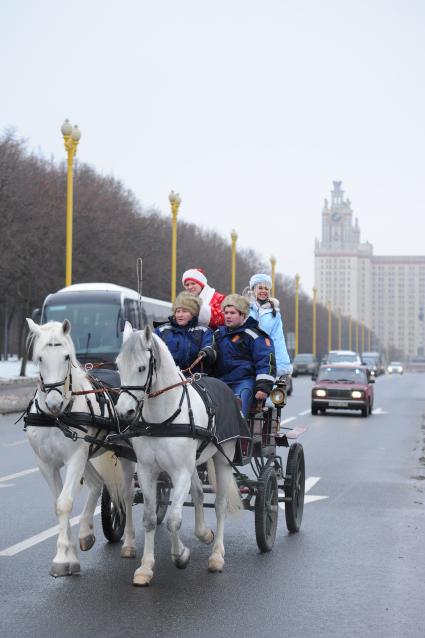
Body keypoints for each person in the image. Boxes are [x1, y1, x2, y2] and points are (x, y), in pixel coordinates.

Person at [200, 294, 276, 416]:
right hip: (220, 382)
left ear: (243, 315)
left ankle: (238, 432)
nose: (228, 316)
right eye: (226, 312)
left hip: (244, 382)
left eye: (232, 313)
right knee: (209, 413)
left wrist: (263, 387)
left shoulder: (255, 335)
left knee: (237, 413)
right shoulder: (218, 334)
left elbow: (266, 362)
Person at [246, 273, 292, 378]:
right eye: (260, 288)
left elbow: (278, 339)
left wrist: (282, 366)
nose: (263, 291)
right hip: (246, 359)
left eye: (266, 288)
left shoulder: (275, 314)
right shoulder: (244, 309)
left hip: (265, 360)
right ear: (253, 289)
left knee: (266, 392)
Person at [154, 292, 213, 371]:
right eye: (177, 311)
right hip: (167, 377)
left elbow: (210, 347)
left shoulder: (204, 331)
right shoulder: (161, 330)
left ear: (193, 313)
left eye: (184, 311)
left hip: (193, 377)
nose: (180, 315)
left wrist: (207, 352)